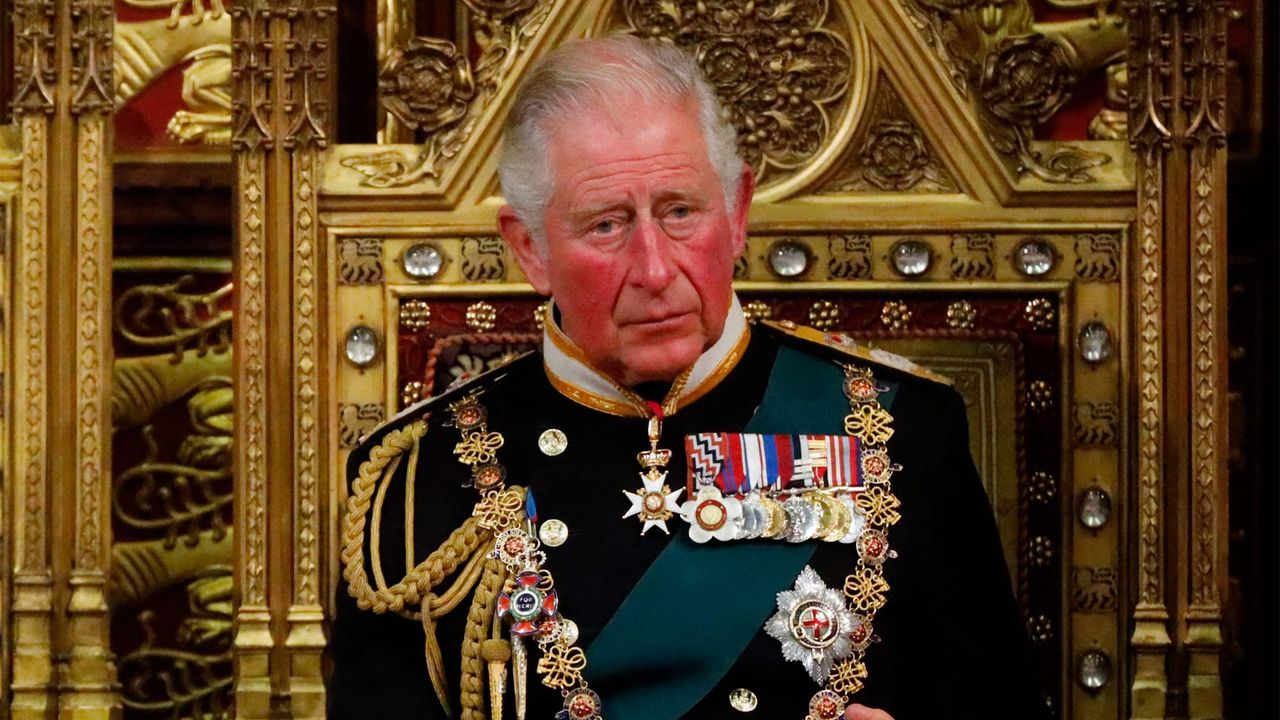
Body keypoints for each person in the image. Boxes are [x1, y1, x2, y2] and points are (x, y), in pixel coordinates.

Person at [330, 35, 1046, 720]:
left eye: (680, 212)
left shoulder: (901, 427)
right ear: (531, 248)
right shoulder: (420, 474)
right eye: (606, 225)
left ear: (736, 214)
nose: (653, 268)